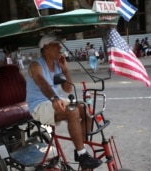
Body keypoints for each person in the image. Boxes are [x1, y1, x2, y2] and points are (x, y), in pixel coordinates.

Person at [26, 34, 103, 170]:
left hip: (55, 102)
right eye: (56, 45)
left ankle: (80, 151)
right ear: (45, 47)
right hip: (39, 105)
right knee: (72, 111)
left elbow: (67, 89)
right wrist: (54, 98)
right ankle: (82, 155)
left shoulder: (56, 65)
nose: (60, 47)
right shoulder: (36, 65)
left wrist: (65, 69)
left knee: (86, 111)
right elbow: (42, 83)